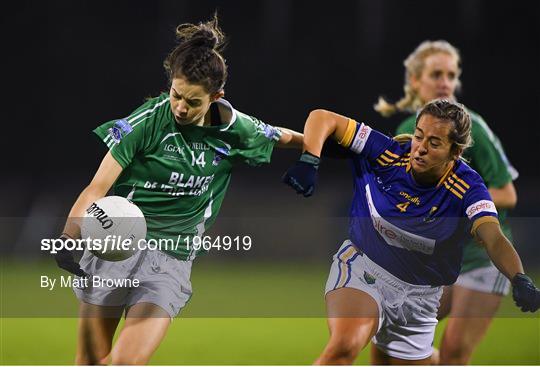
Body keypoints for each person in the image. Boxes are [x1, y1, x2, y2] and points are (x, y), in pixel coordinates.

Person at [53, 16, 302, 365]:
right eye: (176, 95)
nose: (181, 108)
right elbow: (97, 187)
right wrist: (69, 235)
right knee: (89, 362)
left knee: (126, 362)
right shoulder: (149, 121)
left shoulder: (236, 129)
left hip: (169, 259)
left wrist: (354, 149)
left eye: (193, 102)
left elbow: (289, 138)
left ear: (216, 97)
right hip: (115, 247)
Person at [283, 99, 539, 365]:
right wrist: (309, 160)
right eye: (419, 136)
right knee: (345, 346)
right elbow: (323, 117)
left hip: (419, 300)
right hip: (365, 270)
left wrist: (519, 278)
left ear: (455, 151)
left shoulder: (468, 187)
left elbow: (493, 237)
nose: (421, 148)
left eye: (435, 143)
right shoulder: (389, 153)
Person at [375, 40, 519, 364]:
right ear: (415, 81)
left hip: (481, 259)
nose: (445, 82)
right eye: (436, 73)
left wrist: (455, 204)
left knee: (454, 351)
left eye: (451, 75)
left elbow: (507, 193)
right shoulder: (405, 131)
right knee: (393, 338)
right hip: (438, 262)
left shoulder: (472, 129)